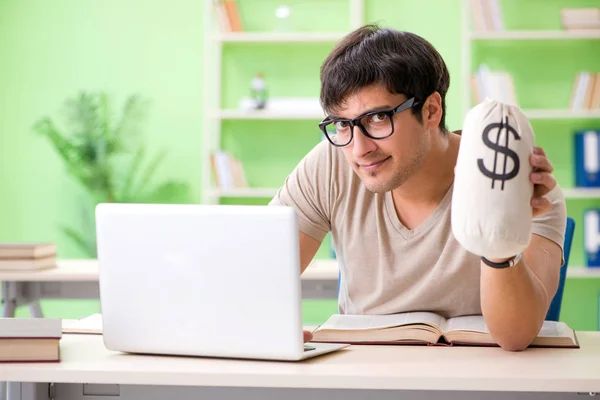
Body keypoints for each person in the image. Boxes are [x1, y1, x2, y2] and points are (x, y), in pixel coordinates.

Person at [269, 24, 567, 351]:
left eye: (378, 118)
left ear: (430, 110)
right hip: (361, 376)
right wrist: (261, 328)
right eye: (343, 124)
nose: (358, 149)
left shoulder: (518, 181)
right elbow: (254, 274)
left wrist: (500, 240)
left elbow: (515, 336)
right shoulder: (331, 164)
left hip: (484, 378)